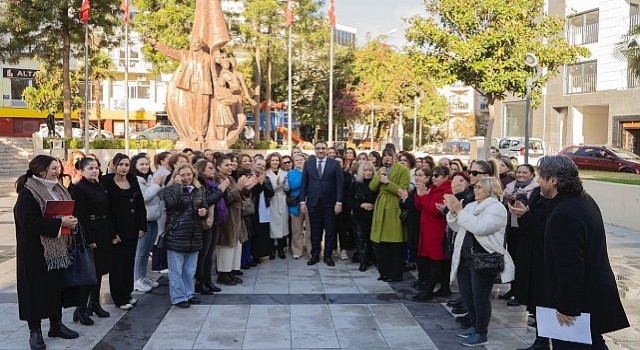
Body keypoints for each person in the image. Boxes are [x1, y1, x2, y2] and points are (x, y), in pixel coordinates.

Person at [537, 155, 629, 349]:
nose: (538, 182)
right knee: (593, 343)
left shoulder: (565, 213)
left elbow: (570, 265)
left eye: (541, 177)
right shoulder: (582, 200)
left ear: (553, 180)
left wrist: (566, 307)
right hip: (591, 296)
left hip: (580, 302)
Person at [14, 155, 80, 350]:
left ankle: (56, 325)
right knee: (34, 291)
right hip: (35, 252)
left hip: (57, 249)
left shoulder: (59, 189)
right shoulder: (28, 193)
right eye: (53, 168)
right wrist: (60, 223)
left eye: (58, 168)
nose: (57, 171)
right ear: (41, 170)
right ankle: (35, 331)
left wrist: (70, 221)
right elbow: (29, 223)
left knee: (55, 288)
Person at [444, 177, 514, 347]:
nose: (475, 190)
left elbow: (480, 228)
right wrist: (453, 212)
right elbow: (457, 227)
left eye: (480, 187)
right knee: (467, 296)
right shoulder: (471, 206)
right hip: (465, 259)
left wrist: (460, 212)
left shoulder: (497, 209)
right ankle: (474, 326)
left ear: (490, 190)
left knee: (480, 298)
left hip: (484, 260)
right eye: (475, 187)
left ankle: (481, 333)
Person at [69, 157, 113, 326]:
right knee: (89, 272)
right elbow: (79, 215)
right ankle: (80, 308)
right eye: (91, 168)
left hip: (102, 229)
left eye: (96, 168)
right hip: (90, 231)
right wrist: (89, 239)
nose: (95, 171)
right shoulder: (79, 189)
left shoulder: (98, 185)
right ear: (82, 171)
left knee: (99, 270)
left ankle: (94, 303)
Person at [101, 153, 147, 310]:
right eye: (120, 164)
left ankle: (127, 293)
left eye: (126, 165)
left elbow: (140, 204)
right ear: (113, 165)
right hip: (116, 231)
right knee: (117, 265)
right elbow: (105, 211)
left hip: (132, 228)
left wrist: (142, 226)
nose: (123, 168)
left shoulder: (133, 180)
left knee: (129, 263)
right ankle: (119, 298)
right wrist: (112, 233)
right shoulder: (106, 182)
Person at [509, 186, 551, 350]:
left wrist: (526, 215)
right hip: (530, 254)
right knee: (537, 301)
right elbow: (528, 225)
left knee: (544, 300)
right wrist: (522, 214)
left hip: (543, 258)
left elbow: (544, 231)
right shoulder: (536, 194)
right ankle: (541, 340)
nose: (538, 180)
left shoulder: (556, 203)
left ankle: (544, 340)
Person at [162, 163, 208, 308]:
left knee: (189, 270)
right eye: (183, 175)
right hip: (176, 234)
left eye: (189, 174)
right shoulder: (170, 189)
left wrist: (203, 213)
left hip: (194, 235)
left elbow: (204, 206)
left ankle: (189, 293)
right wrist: (177, 185)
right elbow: (171, 203)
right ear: (177, 176)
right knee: (176, 270)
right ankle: (178, 297)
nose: (187, 178)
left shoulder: (199, 189)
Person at [299, 140, 344, 266]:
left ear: (326, 149)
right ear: (314, 150)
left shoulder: (334, 164)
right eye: (318, 148)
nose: (320, 150)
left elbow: (340, 185)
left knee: (330, 231)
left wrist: (339, 202)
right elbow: (304, 184)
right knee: (315, 230)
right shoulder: (309, 164)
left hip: (330, 203)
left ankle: (328, 256)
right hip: (313, 202)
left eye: (323, 148)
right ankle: (315, 255)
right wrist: (302, 201)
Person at [499, 164, 538, 306]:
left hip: (525, 227)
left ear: (532, 174)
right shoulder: (509, 185)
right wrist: (508, 199)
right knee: (511, 258)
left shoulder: (535, 188)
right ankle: (513, 288)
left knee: (521, 260)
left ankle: (520, 293)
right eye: (519, 172)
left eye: (524, 172)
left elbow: (532, 205)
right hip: (510, 227)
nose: (521, 175)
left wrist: (520, 198)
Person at [412, 166, 453, 301]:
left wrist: (423, 197)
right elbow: (419, 206)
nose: (433, 178)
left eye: (437, 176)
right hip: (428, 229)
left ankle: (428, 290)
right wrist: (420, 194)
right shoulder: (434, 189)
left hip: (438, 231)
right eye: (433, 175)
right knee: (436, 261)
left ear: (446, 177)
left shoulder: (447, 190)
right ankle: (444, 288)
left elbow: (434, 210)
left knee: (437, 261)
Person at [370, 147, 410, 282]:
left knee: (394, 243)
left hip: (394, 206)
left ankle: (395, 274)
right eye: (384, 156)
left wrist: (388, 182)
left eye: (389, 155)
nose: (387, 158)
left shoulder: (403, 171)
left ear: (395, 156)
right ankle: (383, 272)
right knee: (382, 244)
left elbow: (403, 190)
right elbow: (372, 187)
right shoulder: (381, 170)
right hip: (381, 206)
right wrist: (379, 177)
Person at [130, 154, 165, 293]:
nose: (145, 167)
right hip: (142, 219)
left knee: (147, 249)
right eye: (141, 164)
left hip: (153, 218)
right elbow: (144, 198)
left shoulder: (150, 178)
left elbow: (157, 197)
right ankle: (136, 279)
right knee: (140, 251)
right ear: (135, 166)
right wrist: (156, 186)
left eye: (146, 164)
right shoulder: (135, 180)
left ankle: (143, 276)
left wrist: (160, 186)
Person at [194, 159, 226, 294]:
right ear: (201, 170)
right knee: (204, 254)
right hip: (206, 222)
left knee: (210, 254)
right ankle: (200, 282)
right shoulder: (201, 184)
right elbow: (207, 201)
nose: (213, 170)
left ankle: (208, 281)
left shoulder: (212, 182)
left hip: (215, 220)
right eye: (210, 168)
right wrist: (221, 190)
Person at [215, 155, 249, 285]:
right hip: (227, 217)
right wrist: (239, 188)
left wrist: (245, 188)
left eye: (231, 165)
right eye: (227, 165)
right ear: (218, 167)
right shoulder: (218, 180)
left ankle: (231, 272)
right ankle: (223, 273)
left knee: (236, 244)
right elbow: (225, 198)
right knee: (226, 245)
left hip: (236, 215)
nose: (230, 167)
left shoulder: (230, 178)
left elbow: (240, 195)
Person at [348, 161, 378, 271]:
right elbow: (350, 202)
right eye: (366, 170)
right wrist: (361, 205)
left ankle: (372, 259)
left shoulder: (376, 184)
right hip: (359, 217)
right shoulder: (355, 183)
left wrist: (374, 206)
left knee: (372, 241)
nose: (368, 173)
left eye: (370, 170)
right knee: (361, 241)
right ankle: (363, 262)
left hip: (373, 216)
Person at [265, 152, 289, 259]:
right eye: (273, 160)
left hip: (282, 200)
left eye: (277, 160)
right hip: (272, 201)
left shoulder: (284, 173)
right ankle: (271, 250)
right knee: (272, 226)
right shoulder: (266, 173)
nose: (275, 162)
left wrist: (283, 184)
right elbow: (267, 189)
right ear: (269, 161)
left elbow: (288, 188)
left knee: (283, 225)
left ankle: (281, 249)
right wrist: (277, 185)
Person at [287, 153, 310, 259]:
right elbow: (294, 185)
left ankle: (311, 250)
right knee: (296, 229)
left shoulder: (310, 172)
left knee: (311, 229)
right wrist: (303, 174)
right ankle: (297, 250)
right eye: (297, 160)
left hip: (310, 203)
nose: (299, 161)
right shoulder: (291, 173)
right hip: (296, 204)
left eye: (301, 160)